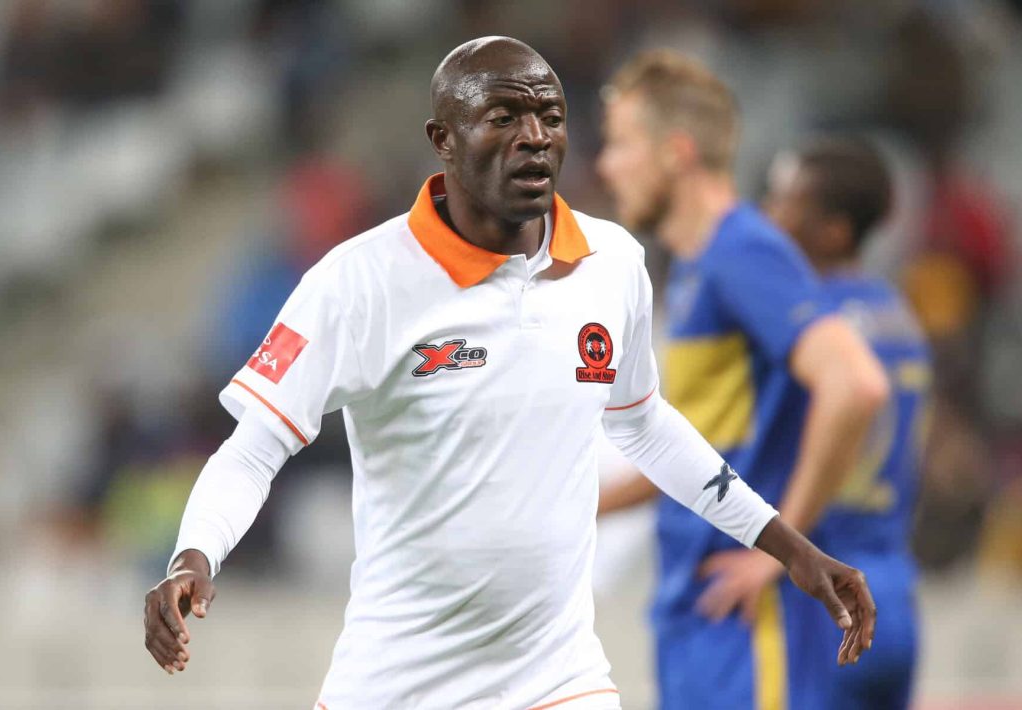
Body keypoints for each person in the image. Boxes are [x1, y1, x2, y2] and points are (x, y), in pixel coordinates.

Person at [143, 38, 875, 710]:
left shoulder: (613, 265)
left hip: (558, 680)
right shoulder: (358, 281)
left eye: (550, 118)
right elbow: (255, 447)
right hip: (395, 686)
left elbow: (647, 427)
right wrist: (194, 554)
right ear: (443, 140)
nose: (535, 137)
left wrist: (790, 548)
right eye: (503, 117)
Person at [596, 51, 889, 710]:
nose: (606, 166)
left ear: (675, 152)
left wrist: (779, 550)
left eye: (620, 144)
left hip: (748, 616)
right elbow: (696, 449)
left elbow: (855, 383)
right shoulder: (697, 267)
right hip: (697, 604)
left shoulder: (742, 251)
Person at [765, 137, 929, 710]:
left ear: (833, 231)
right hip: (896, 587)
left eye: (785, 201)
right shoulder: (898, 313)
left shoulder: (811, 325)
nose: (769, 215)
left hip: (826, 596)